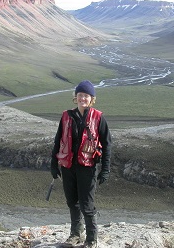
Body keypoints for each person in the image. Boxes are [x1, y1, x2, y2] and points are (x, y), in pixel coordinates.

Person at [50, 80, 112, 248]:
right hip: (68, 166)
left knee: (87, 204)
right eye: (80, 95)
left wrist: (105, 169)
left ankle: (92, 239)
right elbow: (58, 140)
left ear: (92, 99)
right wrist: (54, 164)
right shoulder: (66, 116)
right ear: (75, 97)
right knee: (72, 201)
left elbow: (107, 145)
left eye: (86, 96)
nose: (82, 98)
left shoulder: (98, 118)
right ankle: (76, 234)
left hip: (88, 167)